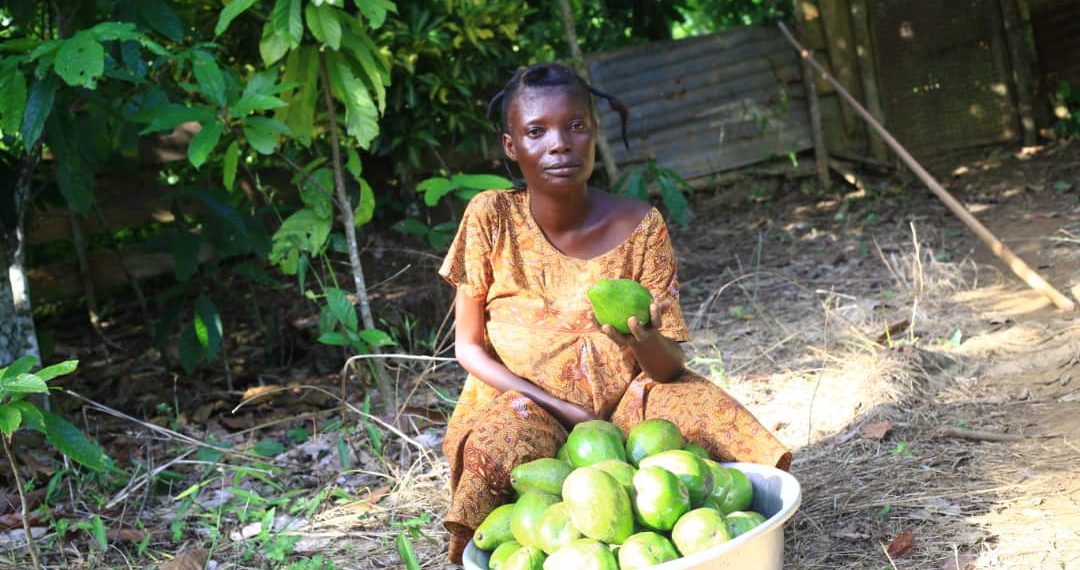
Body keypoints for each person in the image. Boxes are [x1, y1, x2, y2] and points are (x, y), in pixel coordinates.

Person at [438, 62, 790, 564]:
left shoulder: (641, 227)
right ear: (511, 146)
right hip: (522, 402)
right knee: (494, 447)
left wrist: (640, 338)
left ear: (593, 133)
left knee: (708, 412)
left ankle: (733, 538)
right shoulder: (491, 217)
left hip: (630, 403)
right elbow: (468, 348)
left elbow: (667, 369)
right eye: (536, 131)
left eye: (575, 126)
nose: (559, 144)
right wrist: (568, 411)